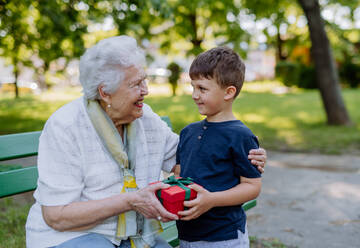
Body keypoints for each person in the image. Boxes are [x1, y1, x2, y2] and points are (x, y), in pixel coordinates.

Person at [25, 36, 267, 248]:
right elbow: (56, 216)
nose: (146, 90)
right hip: (76, 236)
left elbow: (190, 157)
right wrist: (130, 200)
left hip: (138, 237)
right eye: (136, 84)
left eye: (145, 80)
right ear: (105, 92)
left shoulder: (144, 118)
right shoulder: (66, 126)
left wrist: (247, 156)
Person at [174, 47, 262, 248]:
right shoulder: (188, 132)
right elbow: (180, 175)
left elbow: (252, 186)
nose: (195, 95)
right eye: (193, 87)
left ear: (228, 92)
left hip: (224, 237)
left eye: (202, 89)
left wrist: (211, 200)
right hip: (187, 235)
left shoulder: (241, 135)